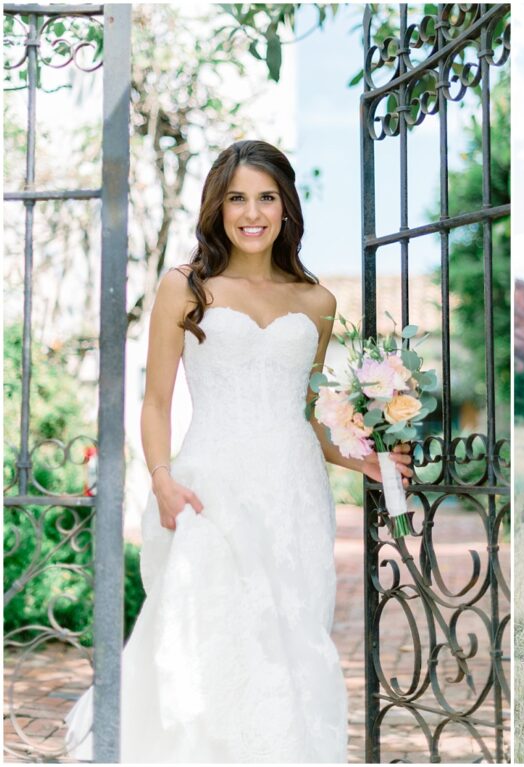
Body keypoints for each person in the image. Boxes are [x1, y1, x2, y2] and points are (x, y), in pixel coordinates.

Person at [65, 140, 412, 762]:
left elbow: (306, 413)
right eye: (237, 199)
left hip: (294, 492)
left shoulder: (317, 302)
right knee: (201, 629)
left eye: (266, 197)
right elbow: (156, 404)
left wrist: (355, 454)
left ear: (286, 208)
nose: (252, 213)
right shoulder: (185, 286)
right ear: (218, 208)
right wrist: (163, 479)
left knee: (288, 637)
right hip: (210, 485)